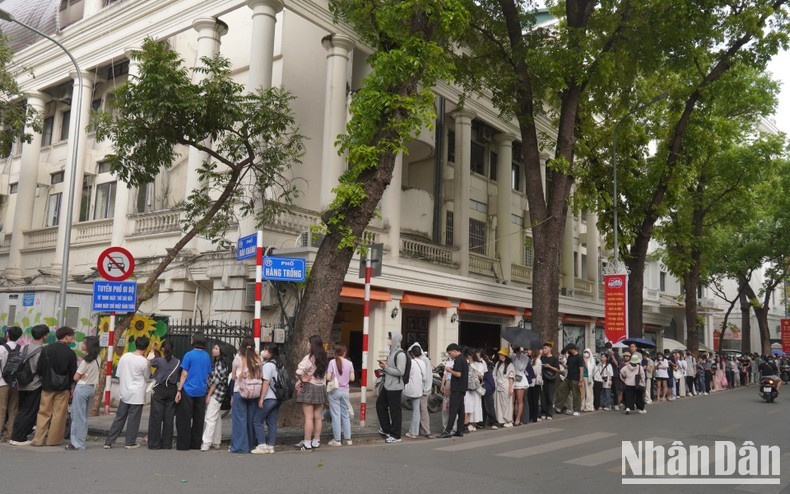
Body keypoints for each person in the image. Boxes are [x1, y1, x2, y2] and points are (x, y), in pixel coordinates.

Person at [32, 326, 77, 447]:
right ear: (66, 337)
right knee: (59, 414)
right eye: (72, 336)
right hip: (63, 388)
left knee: (43, 412)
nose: (73, 339)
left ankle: (38, 439)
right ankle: (53, 440)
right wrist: (72, 387)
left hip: (47, 386)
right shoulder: (70, 353)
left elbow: (39, 369)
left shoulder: (46, 349)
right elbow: (73, 374)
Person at [104, 336, 150, 449]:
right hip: (137, 393)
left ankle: (109, 441)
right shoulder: (144, 362)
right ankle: (130, 442)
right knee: (133, 419)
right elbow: (147, 377)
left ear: (135, 344)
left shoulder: (125, 357)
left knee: (120, 417)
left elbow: (118, 374)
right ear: (146, 347)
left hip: (124, 392)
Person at [9, 324, 49, 446]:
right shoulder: (42, 350)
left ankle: (14, 436)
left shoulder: (24, 348)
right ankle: (19, 438)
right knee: (30, 411)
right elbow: (40, 368)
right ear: (44, 336)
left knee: (22, 410)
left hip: (21, 383)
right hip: (35, 384)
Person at [175, 333, 212, 451]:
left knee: (184, 419)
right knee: (198, 419)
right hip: (201, 390)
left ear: (194, 341)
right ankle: (195, 444)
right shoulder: (207, 356)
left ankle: (183, 445)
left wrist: (179, 389)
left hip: (188, 390)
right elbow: (207, 374)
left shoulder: (189, 355)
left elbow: (184, 374)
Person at [66, 336, 100, 450]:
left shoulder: (85, 360)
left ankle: (78, 443)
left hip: (81, 388)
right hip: (91, 388)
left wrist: (80, 375)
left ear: (89, 346)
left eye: (84, 343)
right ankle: (81, 440)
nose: (82, 345)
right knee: (83, 416)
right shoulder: (97, 358)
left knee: (77, 417)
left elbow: (76, 377)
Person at [295, 335, 328, 450]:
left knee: (308, 418)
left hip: (309, 387)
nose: (307, 345)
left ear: (312, 345)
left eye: (308, 343)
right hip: (320, 388)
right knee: (318, 417)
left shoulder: (309, 358)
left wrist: (302, 379)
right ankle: (316, 441)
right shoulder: (324, 357)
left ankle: (307, 442)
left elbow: (299, 371)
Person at [147, 340, 180, 450]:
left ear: (162, 350)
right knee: (169, 417)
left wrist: (152, 349)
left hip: (159, 389)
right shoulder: (177, 362)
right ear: (173, 349)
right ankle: (167, 444)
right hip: (172, 389)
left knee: (156, 417)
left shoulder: (159, 361)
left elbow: (149, 360)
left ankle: (154, 443)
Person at [230, 337, 261, 454]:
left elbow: (233, 377)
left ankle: (240, 446)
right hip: (254, 392)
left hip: (240, 391)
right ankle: (250, 444)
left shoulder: (238, 358)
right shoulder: (258, 358)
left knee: (239, 419)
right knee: (251, 419)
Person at [376, 331, 407, 444]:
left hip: (395, 386)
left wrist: (386, 367)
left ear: (395, 339)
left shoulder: (400, 354)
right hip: (388, 385)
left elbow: (400, 371)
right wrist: (385, 366)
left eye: (390, 337)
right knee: (380, 405)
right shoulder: (391, 352)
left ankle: (396, 435)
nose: (388, 339)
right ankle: (387, 429)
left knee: (395, 411)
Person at [251, 343, 282, 454]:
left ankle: (261, 445)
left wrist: (261, 399)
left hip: (269, 397)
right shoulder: (278, 364)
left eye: (266, 350)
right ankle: (271, 445)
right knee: (272, 422)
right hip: (277, 397)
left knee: (257, 420)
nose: (264, 351)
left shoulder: (268, 366)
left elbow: (266, 382)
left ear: (271, 353)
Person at [200, 343, 229, 452]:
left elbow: (215, 381)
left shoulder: (220, 364)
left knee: (210, 418)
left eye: (216, 348)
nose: (213, 349)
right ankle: (216, 441)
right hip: (219, 393)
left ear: (221, 351)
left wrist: (208, 395)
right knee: (216, 418)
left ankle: (206, 442)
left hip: (216, 393)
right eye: (214, 348)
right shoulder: (219, 362)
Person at [326, 343, 355, 446]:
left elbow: (328, 377)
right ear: (344, 352)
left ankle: (337, 440)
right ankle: (348, 439)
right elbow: (352, 379)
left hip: (334, 391)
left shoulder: (332, 362)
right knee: (345, 415)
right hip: (345, 391)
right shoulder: (349, 363)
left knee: (336, 415)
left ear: (335, 352)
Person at [439, 343, 468, 438]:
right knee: (460, 410)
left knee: (453, 410)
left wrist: (449, 370)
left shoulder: (458, 360)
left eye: (450, 353)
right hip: (462, 388)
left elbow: (458, 374)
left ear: (455, 351)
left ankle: (447, 431)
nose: (450, 355)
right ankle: (459, 430)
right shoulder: (463, 359)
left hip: (457, 389)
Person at [0, 325, 22, 442]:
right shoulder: (21, 348)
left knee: (1, 410)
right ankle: (9, 434)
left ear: (7, 334)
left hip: (2, 383)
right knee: (13, 409)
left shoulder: (1, 348)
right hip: (15, 383)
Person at [408, 343, 434, 438]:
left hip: (422, 390)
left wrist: (426, 389)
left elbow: (428, 376)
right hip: (420, 389)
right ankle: (420, 430)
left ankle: (427, 431)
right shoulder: (420, 360)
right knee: (418, 410)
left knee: (422, 410)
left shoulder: (423, 360)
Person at [403, 345, 426, 439]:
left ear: (412, 353)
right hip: (419, 389)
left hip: (410, 389)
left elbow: (405, 374)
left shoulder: (411, 362)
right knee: (416, 411)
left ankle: (411, 431)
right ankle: (414, 432)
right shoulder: (423, 362)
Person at [554, 343, 583, 416]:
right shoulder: (570, 357)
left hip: (576, 378)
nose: (568, 351)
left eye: (569, 350)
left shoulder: (579, 357)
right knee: (561, 389)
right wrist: (561, 363)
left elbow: (581, 369)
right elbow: (567, 366)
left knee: (576, 394)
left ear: (572, 349)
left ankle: (577, 410)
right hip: (568, 378)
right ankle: (558, 406)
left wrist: (581, 380)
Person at [463, 347, 484, 432]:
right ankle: (467, 422)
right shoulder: (465, 362)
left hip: (475, 388)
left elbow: (481, 376)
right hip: (467, 388)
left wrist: (473, 369)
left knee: (475, 405)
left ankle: (474, 423)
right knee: (467, 405)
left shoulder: (479, 364)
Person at [493, 347, 515, 428]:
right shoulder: (497, 364)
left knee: (506, 404)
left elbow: (511, 377)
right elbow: (494, 374)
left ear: (505, 355)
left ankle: (508, 420)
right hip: (498, 385)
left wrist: (510, 388)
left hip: (506, 386)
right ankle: (501, 420)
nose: (500, 355)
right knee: (498, 404)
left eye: (501, 354)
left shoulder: (510, 365)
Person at [540, 342, 559, 421]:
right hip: (543, 379)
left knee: (550, 397)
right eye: (543, 348)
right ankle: (543, 412)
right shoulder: (542, 358)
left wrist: (549, 366)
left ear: (550, 349)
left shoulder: (554, 358)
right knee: (543, 396)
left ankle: (550, 413)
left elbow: (557, 369)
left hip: (551, 380)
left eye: (545, 348)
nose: (544, 350)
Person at [511, 347, 529, 426]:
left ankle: (518, 419)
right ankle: (511, 418)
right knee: (511, 401)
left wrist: (518, 357)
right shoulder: (511, 355)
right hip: (512, 379)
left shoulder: (525, 357)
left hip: (520, 380)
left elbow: (521, 368)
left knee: (519, 400)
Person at [527, 348, 542, 422]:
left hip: (535, 382)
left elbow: (536, 372)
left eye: (530, 350)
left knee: (535, 400)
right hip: (530, 382)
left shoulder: (538, 361)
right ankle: (530, 416)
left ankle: (535, 416)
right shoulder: (529, 360)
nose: (528, 351)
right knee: (530, 400)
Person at [581, 348, 595, 412]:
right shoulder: (581, 360)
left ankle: (589, 406)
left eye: (587, 352)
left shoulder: (591, 361)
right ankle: (582, 406)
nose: (586, 353)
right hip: (581, 377)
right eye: (585, 352)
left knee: (589, 392)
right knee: (582, 392)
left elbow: (591, 369)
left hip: (588, 378)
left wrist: (586, 361)